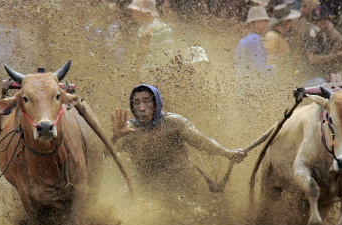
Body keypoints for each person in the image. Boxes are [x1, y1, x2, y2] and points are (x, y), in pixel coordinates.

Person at [110, 84, 247, 196]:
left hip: (181, 181)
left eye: (146, 102)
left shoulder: (174, 123)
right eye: (136, 103)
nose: (141, 108)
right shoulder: (128, 130)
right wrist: (115, 138)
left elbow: (203, 142)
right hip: (146, 187)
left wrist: (227, 153)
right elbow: (104, 156)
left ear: (156, 103)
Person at [127, 0, 174, 81]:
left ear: (146, 12)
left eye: (136, 12)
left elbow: (168, 56)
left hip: (158, 77)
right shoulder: (141, 30)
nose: (133, 15)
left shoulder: (163, 28)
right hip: (143, 76)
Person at [234, 6, 273, 79]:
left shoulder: (246, 39)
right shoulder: (255, 39)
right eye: (261, 21)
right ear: (252, 23)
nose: (265, 24)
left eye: (266, 21)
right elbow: (258, 69)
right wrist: (273, 69)